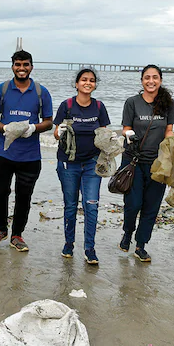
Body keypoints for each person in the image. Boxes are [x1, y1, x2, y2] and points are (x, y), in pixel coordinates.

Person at [0, 50, 53, 252]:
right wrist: (6, 128)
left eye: (25, 64)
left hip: (30, 156)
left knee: (24, 196)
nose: (21, 68)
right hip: (3, 153)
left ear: (32, 66)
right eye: (18, 64)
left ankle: (17, 234)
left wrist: (33, 128)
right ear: (12, 66)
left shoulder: (42, 92)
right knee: (0, 193)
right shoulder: (2, 90)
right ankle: (1, 229)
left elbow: (49, 122)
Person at [119, 64, 174, 262]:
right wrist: (130, 134)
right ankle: (127, 232)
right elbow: (125, 128)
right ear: (142, 80)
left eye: (155, 77)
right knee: (133, 204)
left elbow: (168, 131)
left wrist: (172, 147)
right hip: (133, 161)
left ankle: (141, 245)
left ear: (160, 80)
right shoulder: (132, 102)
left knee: (151, 207)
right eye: (147, 78)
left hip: (158, 164)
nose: (151, 81)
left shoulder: (168, 104)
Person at [53, 68, 110, 264]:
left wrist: (112, 142)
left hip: (92, 163)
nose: (88, 83)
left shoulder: (99, 107)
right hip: (68, 163)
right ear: (76, 84)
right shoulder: (66, 106)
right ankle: (69, 244)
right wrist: (59, 131)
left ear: (95, 85)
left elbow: (104, 133)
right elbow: (55, 133)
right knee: (70, 206)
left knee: (91, 205)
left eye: (92, 80)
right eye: (84, 80)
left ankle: (90, 248)